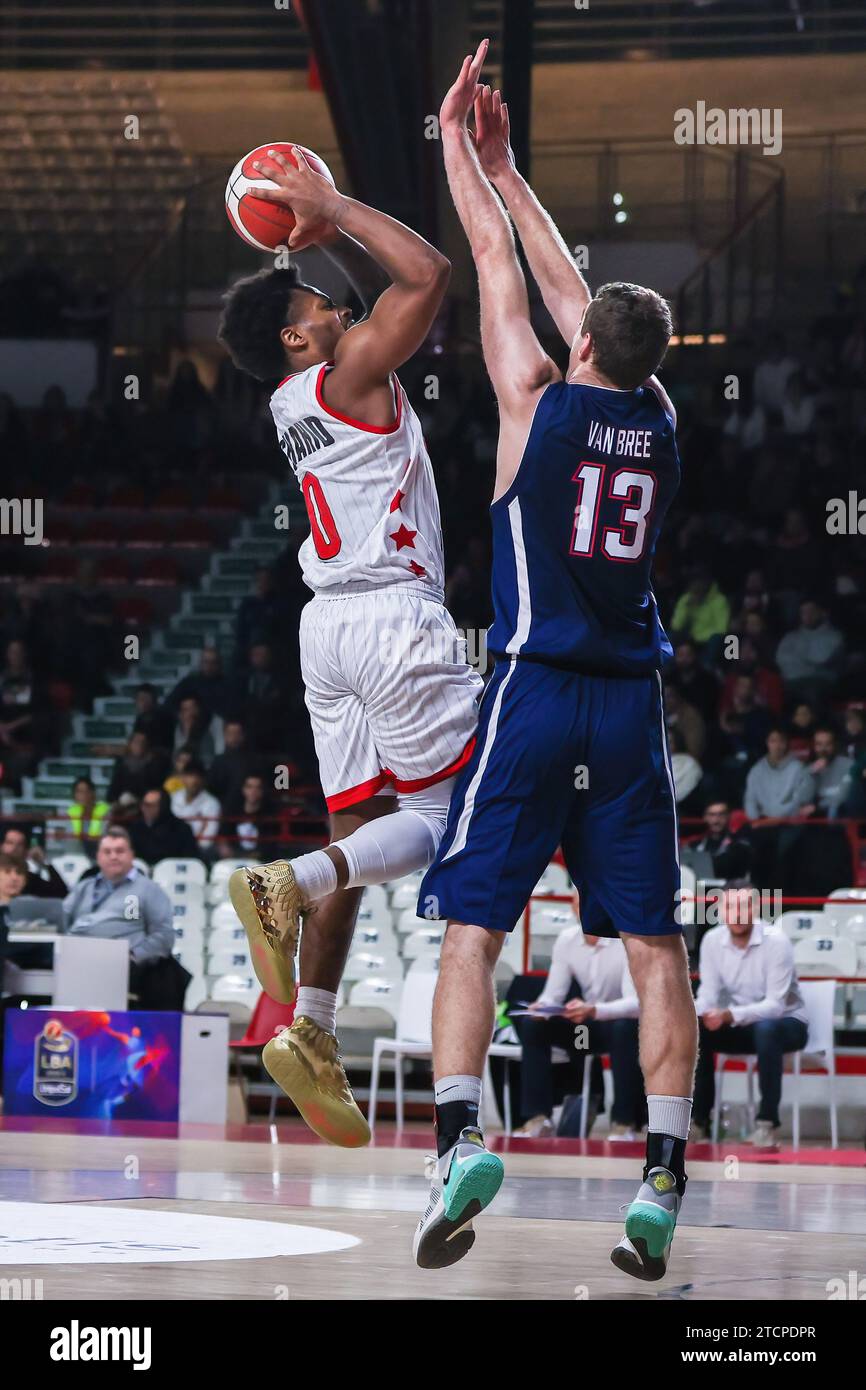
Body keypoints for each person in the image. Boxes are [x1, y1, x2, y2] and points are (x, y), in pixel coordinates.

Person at [413, 51, 696, 1281]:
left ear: (581, 340)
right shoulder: (660, 418)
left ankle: (462, 1133)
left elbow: (492, 262)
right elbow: (579, 292)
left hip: (533, 689)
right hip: (629, 706)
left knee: (472, 927)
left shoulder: (534, 399)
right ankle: (660, 1184)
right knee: (653, 951)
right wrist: (514, 171)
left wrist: (455, 148)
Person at [217, 136, 482, 1148]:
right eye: (314, 308)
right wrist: (335, 203)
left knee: (362, 835)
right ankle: (281, 884)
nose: (334, 308)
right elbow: (431, 274)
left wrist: (317, 228)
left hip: (324, 631)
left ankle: (310, 1029)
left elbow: (386, 300)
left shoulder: (291, 399)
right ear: (296, 342)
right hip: (391, 619)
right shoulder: (351, 369)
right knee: (447, 814)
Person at [513, 892, 643, 1139]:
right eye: (580, 902)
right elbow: (553, 994)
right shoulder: (566, 940)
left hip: (616, 1024)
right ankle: (538, 1118)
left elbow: (635, 1004)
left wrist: (594, 1010)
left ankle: (623, 1123)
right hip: (584, 1028)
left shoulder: (626, 939)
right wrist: (542, 1007)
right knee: (533, 1025)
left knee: (624, 1028)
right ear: (573, 907)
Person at [692, 887, 807, 1148]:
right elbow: (708, 994)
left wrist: (729, 1015)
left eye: (744, 907)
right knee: (698, 1030)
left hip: (788, 1023)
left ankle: (767, 1125)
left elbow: (775, 1006)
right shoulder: (712, 940)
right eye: (731, 907)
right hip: (742, 1024)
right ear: (720, 911)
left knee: (767, 1029)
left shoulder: (776, 941)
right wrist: (695, 1014)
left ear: (756, 909)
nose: (737, 914)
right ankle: (699, 1122)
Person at [64, 827, 181, 1009]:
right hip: (77, 965)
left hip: (124, 971)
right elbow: (62, 920)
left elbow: (164, 936)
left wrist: (132, 958)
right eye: (107, 852)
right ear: (98, 857)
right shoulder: (84, 887)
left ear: (131, 855)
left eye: (120, 851)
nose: (113, 856)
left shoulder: (148, 889)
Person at [775, 599, 845, 705]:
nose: (807, 615)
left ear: (822, 613)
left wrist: (797, 659)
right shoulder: (790, 637)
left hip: (819, 681)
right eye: (803, 612)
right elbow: (780, 659)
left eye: (811, 611)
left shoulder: (834, 636)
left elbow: (821, 659)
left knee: (811, 692)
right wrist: (807, 661)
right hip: (791, 681)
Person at [743, 729, 815, 822]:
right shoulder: (756, 770)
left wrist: (778, 817)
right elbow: (750, 799)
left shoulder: (799, 768)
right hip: (762, 823)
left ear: (787, 744)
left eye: (781, 741)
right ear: (767, 743)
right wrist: (755, 819)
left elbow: (802, 799)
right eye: (773, 741)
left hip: (790, 821)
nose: (777, 746)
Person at [129, 788, 201, 866]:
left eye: (150, 805)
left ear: (163, 806)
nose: (144, 808)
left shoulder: (181, 829)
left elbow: (190, 859)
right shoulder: (136, 828)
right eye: (143, 804)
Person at [0, 825, 67, 898]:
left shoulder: (31, 880)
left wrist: (44, 863)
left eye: (20, 844)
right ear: (1, 846)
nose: (15, 848)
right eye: (10, 843)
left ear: (26, 851)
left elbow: (61, 894)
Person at [170, 761, 221, 851]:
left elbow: (208, 837)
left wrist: (192, 847)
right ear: (183, 778)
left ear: (203, 779)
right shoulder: (173, 798)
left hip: (198, 851)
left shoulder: (212, 803)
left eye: (198, 776)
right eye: (190, 775)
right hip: (172, 848)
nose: (194, 780)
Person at [106, 732, 168, 804]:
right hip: (122, 805)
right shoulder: (121, 763)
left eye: (143, 742)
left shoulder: (155, 765)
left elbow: (156, 789)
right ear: (130, 744)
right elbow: (113, 790)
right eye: (136, 742)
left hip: (146, 804)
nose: (140, 745)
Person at [805, 727, 854, 818]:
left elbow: (842, 796)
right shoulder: (809, 769)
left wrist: (817, 807)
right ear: (814, 747)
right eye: (819, 744)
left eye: (828, 744)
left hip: (839, 813)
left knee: (833, 809)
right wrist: (811, 774)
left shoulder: (848, 765)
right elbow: (802, 799)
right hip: (814, 816)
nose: (823, 749)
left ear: (834, 745)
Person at [66, 776, 111, 846]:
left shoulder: (105, 812)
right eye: (79, 792)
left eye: (87, 791)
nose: (84, 795)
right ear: (74, 796)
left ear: (93, 793)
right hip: (76, 853)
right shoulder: (70, 813)